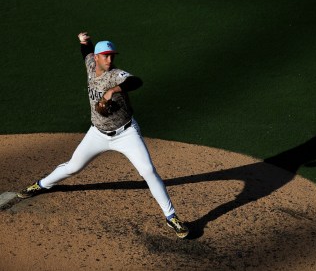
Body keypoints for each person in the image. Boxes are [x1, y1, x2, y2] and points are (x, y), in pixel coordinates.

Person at [17, 32, 189, 239]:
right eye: (105, 56)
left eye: (112, 56)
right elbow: (86, 53)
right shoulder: (91, 65)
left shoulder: (116, 75)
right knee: (73, 166)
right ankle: (41, 184)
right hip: (97, 134)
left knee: (148, 171)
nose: (110, 60)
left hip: (126, 134)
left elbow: (136, 81)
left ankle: (171, 217)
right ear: (97, 58)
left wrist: (113, 90)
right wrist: (84, 42)